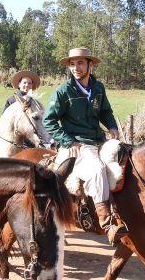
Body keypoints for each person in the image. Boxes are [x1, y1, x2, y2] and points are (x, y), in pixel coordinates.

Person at [43, 47, 128, 245]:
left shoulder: (98, 87)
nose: (75, 68)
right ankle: (107, 224)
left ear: (90, 64)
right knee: (97, 170)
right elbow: (49, 122)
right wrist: (68, 141)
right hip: (78, 145)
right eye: (72, 64)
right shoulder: (63, 91)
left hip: (99, 141)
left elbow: (106, 111)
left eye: (80, 63)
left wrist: (112, 126)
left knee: (126, 158)